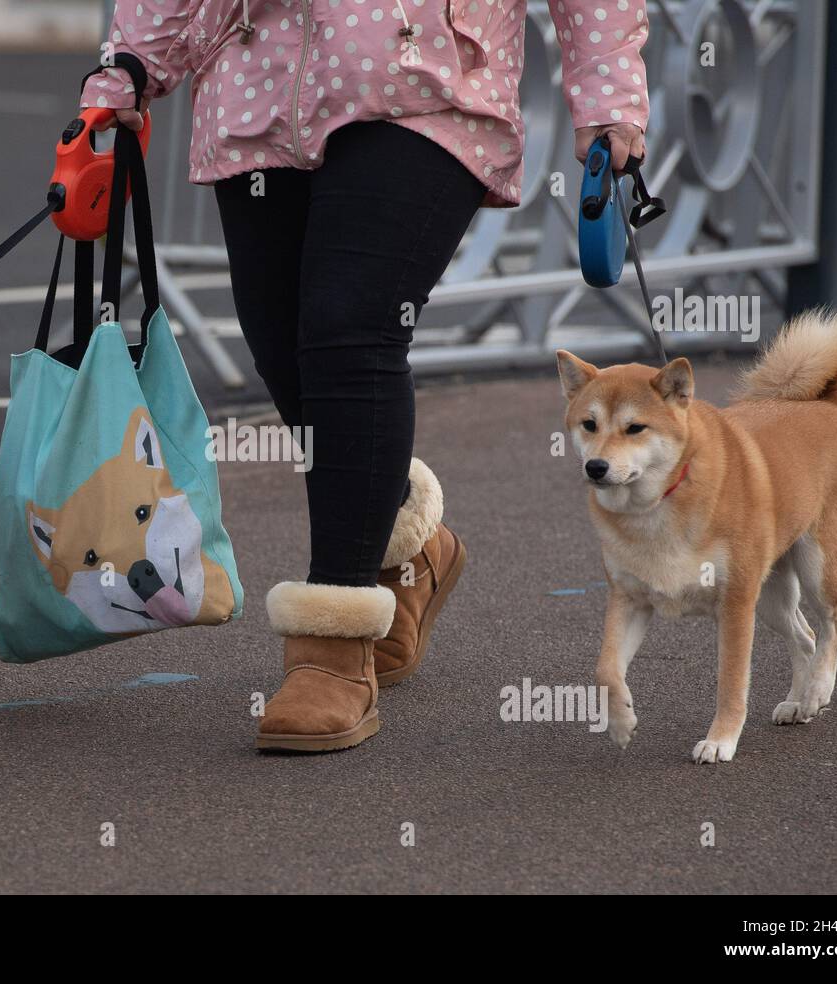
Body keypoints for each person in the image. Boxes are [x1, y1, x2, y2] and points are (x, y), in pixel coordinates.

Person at [80, 0, 651, 752]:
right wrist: (131, 63)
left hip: (424, 71)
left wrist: (607, 92)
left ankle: (334, 646)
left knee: (351, 327)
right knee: (284, 347)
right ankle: (406, 546)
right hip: (259, 70)